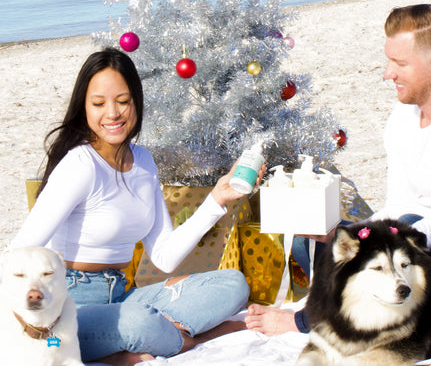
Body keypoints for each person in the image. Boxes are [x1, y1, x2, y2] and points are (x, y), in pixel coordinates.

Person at [245, 3, 431, 335]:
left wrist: (385, 244)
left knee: (396, 245)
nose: (387, 73)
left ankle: (308, 321)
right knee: (312, 240)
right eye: (389, 61)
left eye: (400, 64)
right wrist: (348, 236)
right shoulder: (403, 117)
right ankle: (342, 306)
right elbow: (398, 205)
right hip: (426, 251)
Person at [9, 47, 265, 365]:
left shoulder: (143, 161)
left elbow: (164, 256)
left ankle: (130, 350)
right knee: (136, 322)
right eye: (99, 104)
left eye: (123, 101)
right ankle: (185, 340)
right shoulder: (80, 164)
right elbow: (20, 251)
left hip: (125, 294)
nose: (113, 114)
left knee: (232, 284)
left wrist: (217, 198)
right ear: (84, 108)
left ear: (136, 102)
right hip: (69, 307)